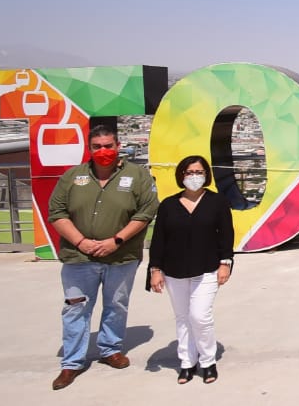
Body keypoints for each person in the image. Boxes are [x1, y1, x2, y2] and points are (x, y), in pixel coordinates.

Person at [47, 124, 159, 390]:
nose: (103, 151)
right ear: (89, 148)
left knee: (116, 305)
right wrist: (82, 242)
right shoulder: (72, 177)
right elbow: (57, 212)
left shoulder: (137, 175)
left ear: (118, 146)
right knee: (75, 307)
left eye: (108, 146)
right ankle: (72, 362)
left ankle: (110, 349)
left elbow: (146, 212)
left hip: (121, 256)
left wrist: (115, 241)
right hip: (78, 257)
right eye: (97, 147)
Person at [148, 155, 235, 384]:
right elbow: (159, 239)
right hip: (174, 270)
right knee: (183, 318)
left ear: (206, 175)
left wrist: (225, 263)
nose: (194, 176)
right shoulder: (168, 205)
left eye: (199, 172)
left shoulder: (217, 202)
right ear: (181, 175)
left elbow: (226, 235)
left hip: (207, 269)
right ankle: (187, 362)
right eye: (189, 172)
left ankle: (208, 361)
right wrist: (155, 269)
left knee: (200, 316)